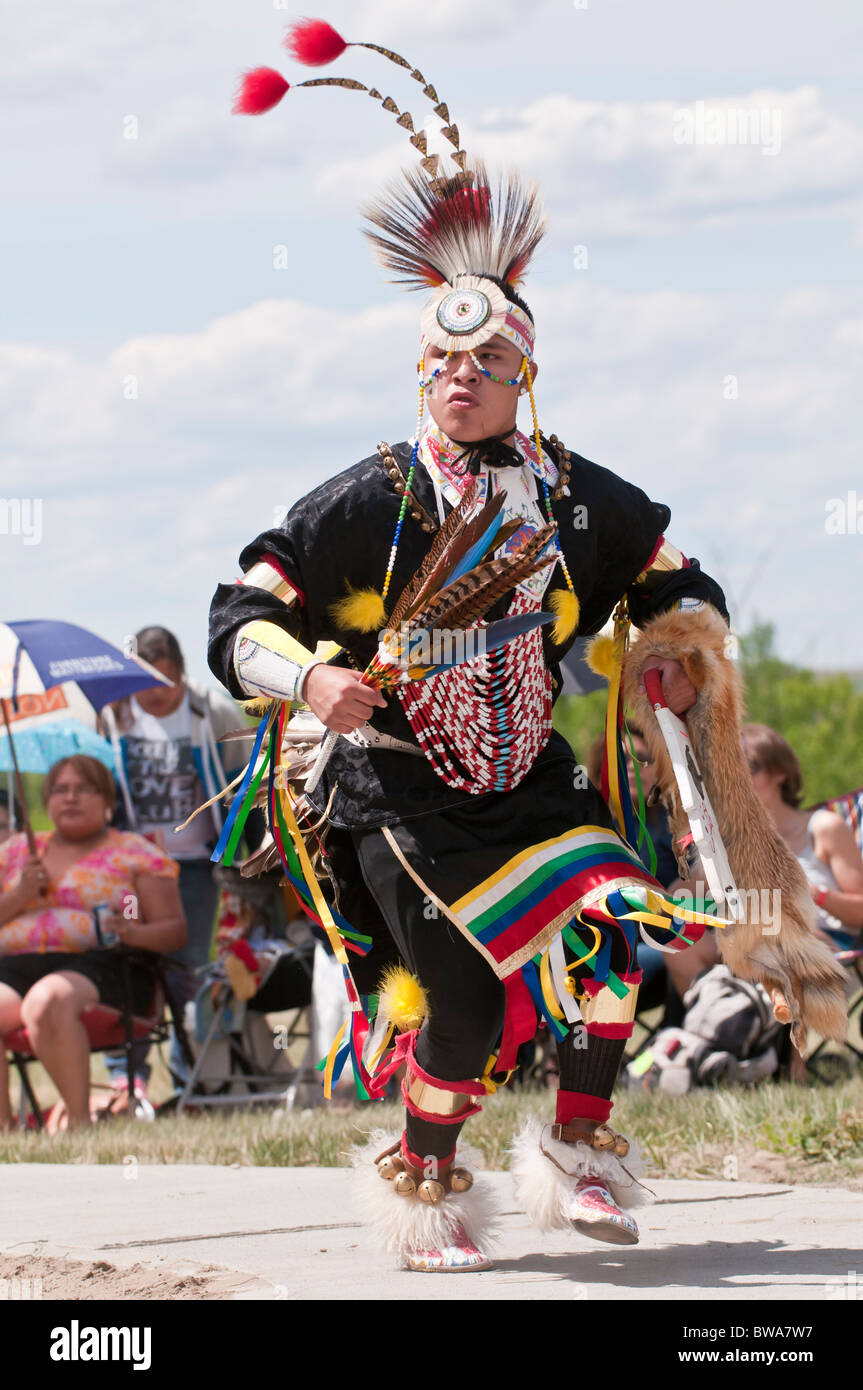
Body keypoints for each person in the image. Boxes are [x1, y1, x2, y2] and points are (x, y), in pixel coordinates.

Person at [208, 20, 738, 1273]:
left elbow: (678, 576)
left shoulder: (567, 495)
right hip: (394, 781)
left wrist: (666, 644)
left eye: (487, 360)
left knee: (617, 928)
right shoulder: (376, 497)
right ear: (421, 371)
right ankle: (424, 1182)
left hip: (527, 774)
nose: (463, 376)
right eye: (445, 360)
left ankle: (579, 1149)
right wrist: (312, 676)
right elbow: (244, 608)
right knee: (455, 1001)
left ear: (523, 378)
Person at [100, 626, 250, 1098]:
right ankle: (129, 1078)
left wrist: (242, 861)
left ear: (182, 674)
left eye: (167, 682)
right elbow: (103, 789)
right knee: (132, 959)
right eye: (146, 682)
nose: (157, 694)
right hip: (133, 874)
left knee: (188, 969)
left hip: (195, 869)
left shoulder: (211, 712)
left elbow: (239, 791)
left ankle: (191, 1079)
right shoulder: (113, 716)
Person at [0, 755, 186, 1129]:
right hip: (16, 966)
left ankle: (80, 1126)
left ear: (108, 802)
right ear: (47, 801)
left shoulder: (135, 852)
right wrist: (19, 895)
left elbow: (174, 931)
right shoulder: (17, 851)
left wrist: (131, 931)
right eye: (61, 790)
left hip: (105, 967)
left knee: (47, 1000)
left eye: (84, 789)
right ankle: (4, 1133)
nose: (71, 798)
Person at [743, 724, 863, 949]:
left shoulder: (823, 827)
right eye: (732, 770)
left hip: (833, 947)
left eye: (750, 767)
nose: (740, 778)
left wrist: (811, 892)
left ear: (780, 772)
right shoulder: (742, 842)